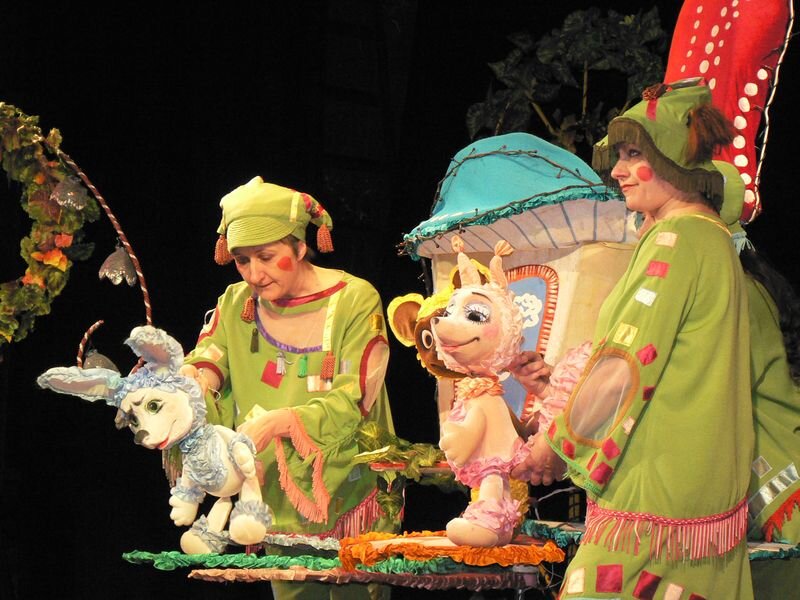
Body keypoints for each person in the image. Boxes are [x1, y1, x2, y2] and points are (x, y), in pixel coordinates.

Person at [511, 81, 755, 598]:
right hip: (698, 492)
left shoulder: (676, 239)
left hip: (653, 491)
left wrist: (556, 445)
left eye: (633, 155)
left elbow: (627, 361)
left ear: (672, 158)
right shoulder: (710, 239)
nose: (618, 170)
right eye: (619, 156)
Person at [181, 176, 396, 600]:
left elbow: (356, 395)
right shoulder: (236, 303)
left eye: (266, 257)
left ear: (300, 247)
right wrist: (192, 382)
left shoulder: (354, 299)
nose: (254, 274)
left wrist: (281, 421)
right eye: (242, 260)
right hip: (277, 495)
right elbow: (210, 357)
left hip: (351, 490)